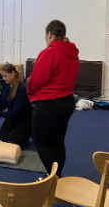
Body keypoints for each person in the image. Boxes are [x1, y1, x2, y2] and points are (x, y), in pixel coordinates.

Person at [27, 20, 79, 178]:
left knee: (41, 143)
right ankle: (56, 177)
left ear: (49, 34)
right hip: (68, 101)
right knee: (57, 141)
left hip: (49, 103)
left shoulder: (49, 52)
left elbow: (36, 81)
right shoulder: (73, 54)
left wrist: (29, 91)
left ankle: (54, 177)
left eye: (45, 36)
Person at [0, 63, 33, 147]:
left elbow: (14, 112)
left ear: (13, 73)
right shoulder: (5, 86)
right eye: (2, 76)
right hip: (12, 117)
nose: (3, 78)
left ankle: (29, 131)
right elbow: (3, 104)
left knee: (12, 141)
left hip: (24, 118)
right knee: (1, 140)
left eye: (5, 76)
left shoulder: (21, 89)